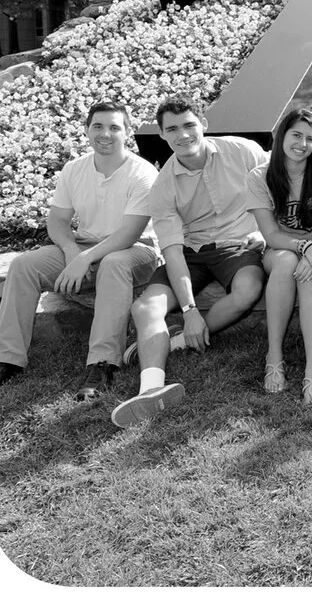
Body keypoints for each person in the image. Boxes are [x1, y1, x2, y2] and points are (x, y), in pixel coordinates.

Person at [111, 92, 268, 429]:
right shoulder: (162, 187)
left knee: (248, 289)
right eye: (172, 129)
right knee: (145, 307)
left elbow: (278, 189)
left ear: (203, 124)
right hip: (190, 253)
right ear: (162, 135)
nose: (182, 135)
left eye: (189, 125)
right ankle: (151, 388)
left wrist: (266, 232)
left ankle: (176, 341)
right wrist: (189, 310)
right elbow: (171, 251)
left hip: (238, 246)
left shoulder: (244, 151)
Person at [0, 98, 160, 401]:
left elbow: (129, 233)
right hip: (83, 245)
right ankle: (6, 359)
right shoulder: (74, 169)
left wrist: (84, 258)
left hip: (135, 250)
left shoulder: (142, 173)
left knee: (113, 264)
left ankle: (103, 363)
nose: (105, 134)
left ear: (127, 131)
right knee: (24, 265)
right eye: (98, 126)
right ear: (87, 129)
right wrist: (70, 252)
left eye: (114, 127)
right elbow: (57, 221)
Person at [246, 105, 312, 403]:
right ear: (282, 135)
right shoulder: (260, 177)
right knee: (285, 264)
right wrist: (304, 247)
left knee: (310, 273)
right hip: (283, 248)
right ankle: (274, 356)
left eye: (310, 138)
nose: (302, 144)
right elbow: (271, 236)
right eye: (296, 135)